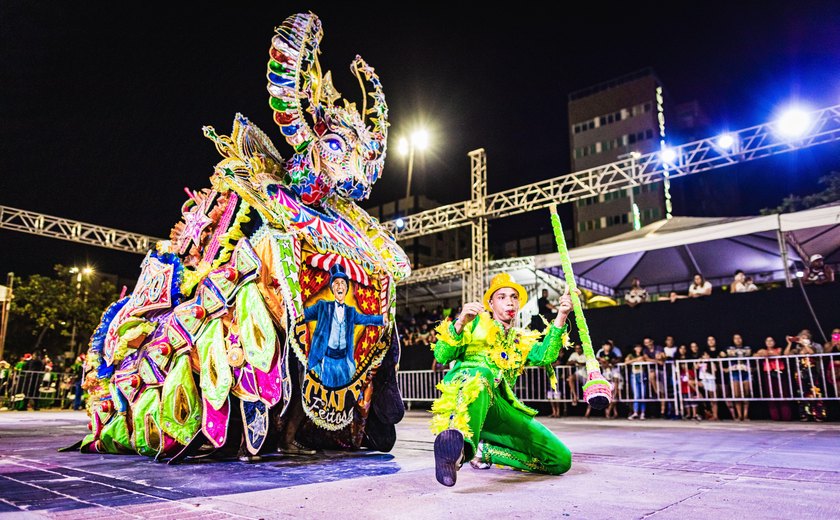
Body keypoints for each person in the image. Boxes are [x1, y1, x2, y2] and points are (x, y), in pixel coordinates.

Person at [430, 272, 574, 486]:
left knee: (561, 460)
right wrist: (460, 322)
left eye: (514, 297)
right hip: (467, 403)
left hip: (500, 409)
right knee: (483, 374)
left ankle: (484, 451)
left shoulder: (520, 339)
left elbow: (546, 356)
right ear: (490, 302)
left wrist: (562, 314)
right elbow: (441, 355)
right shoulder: (474, 324)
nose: (510, 302)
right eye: (502, 296)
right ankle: (457, 451)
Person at [303, 264, 387, 388]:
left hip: (344, 361)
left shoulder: (350, 311)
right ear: (332, 288)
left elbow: (365, 319)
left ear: (346, 288)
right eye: (336, 283)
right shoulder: (323, 306)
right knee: (326, 395)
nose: (340, 286)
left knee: (342, 396)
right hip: (326, 361)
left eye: (342, 283)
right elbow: (303, 315)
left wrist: (381, 319)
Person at [754, 337, 791, 421]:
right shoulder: (762, 350)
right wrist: (761, 354)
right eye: (767, 340)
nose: (769, 342)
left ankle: (786, 416)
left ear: (774, 342)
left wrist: (767, 354)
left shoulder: (779, 349)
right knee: (771, 394)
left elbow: (781, 354)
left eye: (771, 340)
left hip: (779, 372)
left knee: (783, 393)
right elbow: (756, 355)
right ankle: (775, 416)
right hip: (768, 373)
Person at [726, 333, 752, 421]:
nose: (737, 340)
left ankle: (745, 415)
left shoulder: (747, 347)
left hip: (745, 371)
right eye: (735, 338)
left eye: (739, 338)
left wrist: (736, 353)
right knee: (737, 394)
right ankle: (739, 415)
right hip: (735, 372)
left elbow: (748, 353)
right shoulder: (730, 348)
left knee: (746, 393)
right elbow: (729, 353)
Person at [625, 344, 648, 420]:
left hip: (642, 375)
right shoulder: (631, 355)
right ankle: (635, 412)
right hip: (634, 375)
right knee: (636, 395)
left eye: (640, 347)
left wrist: (643, 359)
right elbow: (626, 362)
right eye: (637, 347)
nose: (638, 349)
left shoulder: (644, 355)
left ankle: (643, 412)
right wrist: (636, 360)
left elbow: (647, 360)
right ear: (634, 348)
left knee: (643, 394)